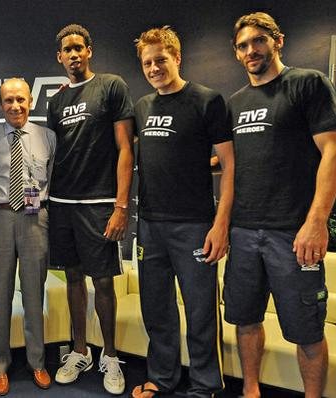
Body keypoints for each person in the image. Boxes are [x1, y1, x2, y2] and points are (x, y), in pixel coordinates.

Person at [225, 12, 336, 398]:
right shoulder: (236, 102)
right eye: (243, 45)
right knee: (245, 320)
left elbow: (335, 152)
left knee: (307, 329)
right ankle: (250, 391)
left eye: (258, 41)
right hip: (243, 233)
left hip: (294, 234)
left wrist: (316, 222)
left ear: (277, 41)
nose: (251, 50)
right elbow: (228, 162)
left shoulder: (307, 84)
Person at [129, 26, 234, 398]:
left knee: (201, 311)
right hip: (151, 226)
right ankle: (162, 378)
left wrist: (221, 224)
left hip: (194, 225)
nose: (154, 67)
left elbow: (228, 164)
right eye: (147, 62)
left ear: (177, 57)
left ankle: (206, 386)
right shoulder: (141, 107)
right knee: (157, 310)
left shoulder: (207, 100)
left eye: (161, 59)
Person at [47, 23, 134, 395]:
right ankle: (79, 350)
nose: (73, 54)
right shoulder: (56, 100)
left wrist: (121, 205)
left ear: (89, 50)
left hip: (99, 203)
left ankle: (110, 357)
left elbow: (126, 149)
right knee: (73, 279)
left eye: (79, 48)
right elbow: (53, 155)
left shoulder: (112, 86)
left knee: (103, 281)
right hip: (62, 203)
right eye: (67, 50)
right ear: (59, 56)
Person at [0, 78, 56, 395]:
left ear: (31, 101)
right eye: (9, 100)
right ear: (1, 104)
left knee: (34, 295)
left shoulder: (48, 137)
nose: (16, 106)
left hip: (35, 217)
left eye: (21, 100)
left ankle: (37, 362)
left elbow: (50, 177)